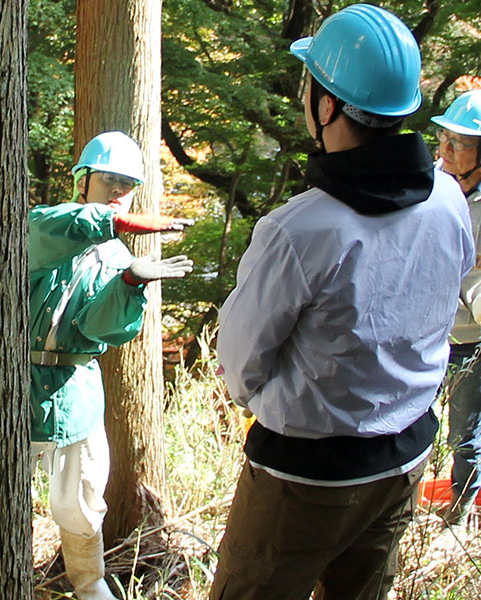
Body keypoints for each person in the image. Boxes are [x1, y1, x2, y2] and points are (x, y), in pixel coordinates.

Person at [212, 5, 474, 599]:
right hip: (403, 455)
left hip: (302, 474)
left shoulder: (298, 229)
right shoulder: (447, 199)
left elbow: (242, 357)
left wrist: (275, 402)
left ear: (326, 106)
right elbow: (448, 288)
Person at [30, 131, 193, 600]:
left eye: (127, 185)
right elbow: (39, 237)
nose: (119, 192)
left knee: (81, 502)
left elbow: (101, 328)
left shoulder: (117, 257)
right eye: (109, 181)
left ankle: (89, 584)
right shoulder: (49, 226)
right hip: (15, 386)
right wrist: (112, 224)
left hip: (75, 388)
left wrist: (127, 283)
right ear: (83, 181)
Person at [430, 89, 481, 526]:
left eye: (459, 143)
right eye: (444, 138)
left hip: (472, 337)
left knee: (464, 433)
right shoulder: (429, 183)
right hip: (425, 331)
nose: (445, 150)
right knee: (407, 422)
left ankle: (459, 513)